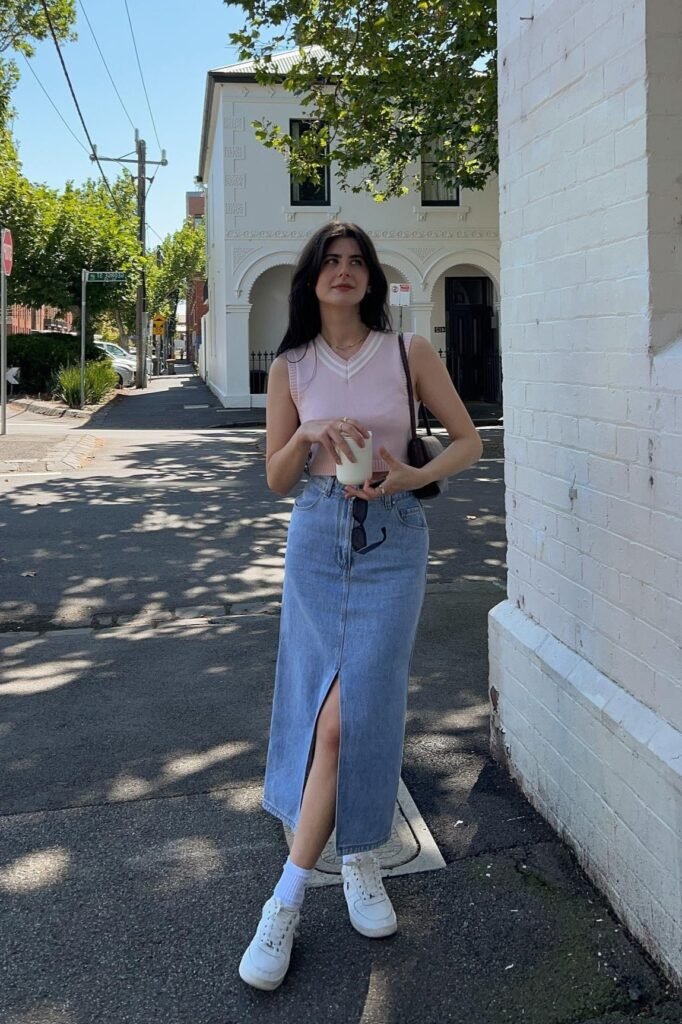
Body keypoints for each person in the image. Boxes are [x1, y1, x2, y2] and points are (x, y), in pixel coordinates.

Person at [239, 221, 483, 991]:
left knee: (356, 716)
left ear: (371, 279)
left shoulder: (407, 352)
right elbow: (277, 478)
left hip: (394, 540)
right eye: (330, 262)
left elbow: (467, 442)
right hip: (316, 539)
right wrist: (307, 429)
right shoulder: (290, 365)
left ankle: (310, 884)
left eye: (356, 263)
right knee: (325, 715)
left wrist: (410, 478)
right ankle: (342, 865)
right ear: (310, 279)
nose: (343, 272)